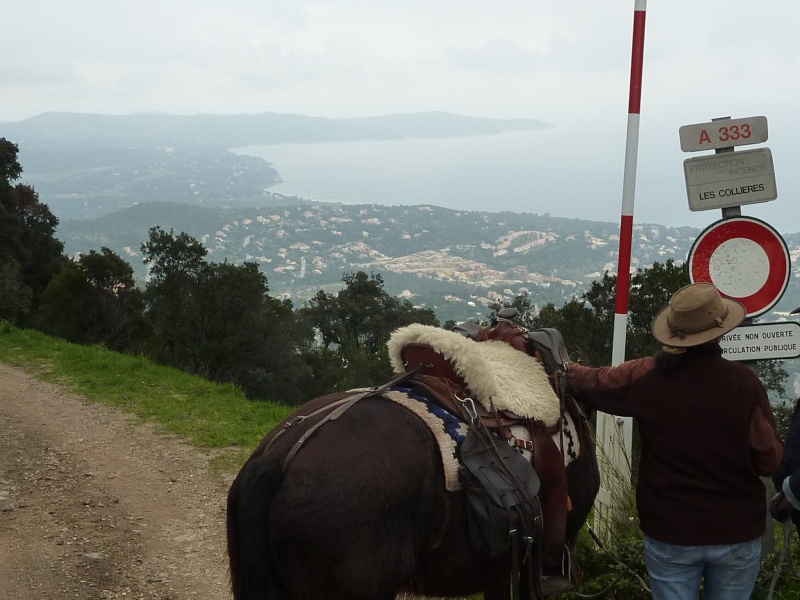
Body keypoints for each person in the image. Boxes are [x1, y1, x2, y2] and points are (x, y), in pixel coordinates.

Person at [568, 282, 783, 600]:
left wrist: (560, 366)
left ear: (674, 330)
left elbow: (594, 382)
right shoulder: (745, 383)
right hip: (737, 530)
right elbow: (770, 459)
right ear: (720, 331)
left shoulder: (645, 376)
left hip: (670, 531)